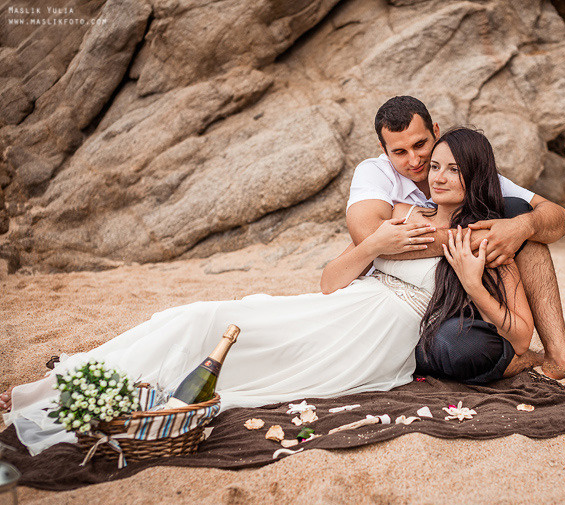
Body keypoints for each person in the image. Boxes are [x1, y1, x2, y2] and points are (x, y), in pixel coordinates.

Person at [1, 128, 533, 456]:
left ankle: (85, 396)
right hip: (344, 306)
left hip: (383, 336)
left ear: (476, 175)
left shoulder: (489, 238)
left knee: (247, 370)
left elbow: (518, 332)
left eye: (452, 169)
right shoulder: (402, 215)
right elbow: (329, 283)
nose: (437, 176)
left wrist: (469, 283)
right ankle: (64, 384)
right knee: (201, 317)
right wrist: (375, 243)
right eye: (433, 166)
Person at [346, 96, 565, 388]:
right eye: (399, 152)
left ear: (436, 132)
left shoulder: (464, 168)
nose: (414, 161)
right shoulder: (375, 173)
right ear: (383, 150)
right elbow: (366, 236)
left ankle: (559, 352)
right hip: (419, 298)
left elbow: (561, 219)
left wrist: (521, 226)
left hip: (471, 289)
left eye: (420, 145)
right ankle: (527, 355)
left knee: (519, 212)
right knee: (452, 345)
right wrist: (473, 239)